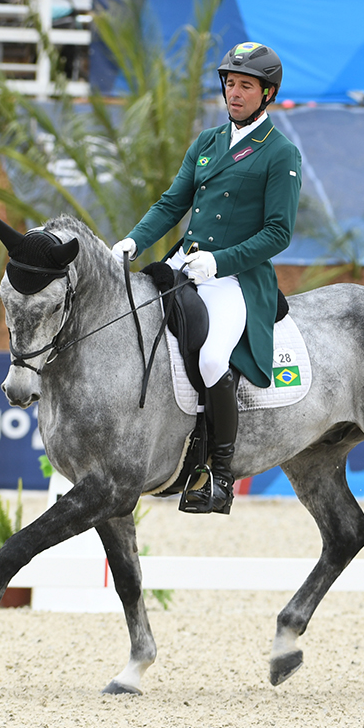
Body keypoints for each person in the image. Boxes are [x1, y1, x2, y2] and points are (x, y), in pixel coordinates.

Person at [110, 42, 301, 515]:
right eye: (230, 84)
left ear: (268, 93)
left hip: (236, 279)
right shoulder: (208, 143)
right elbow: (173, 203)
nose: (234, 94)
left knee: (215, 358)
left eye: (245, 86)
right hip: (185, 264)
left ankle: (218, 474)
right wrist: (133, 242)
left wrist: (220, 262)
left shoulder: (280, 153)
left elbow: (279, 233)